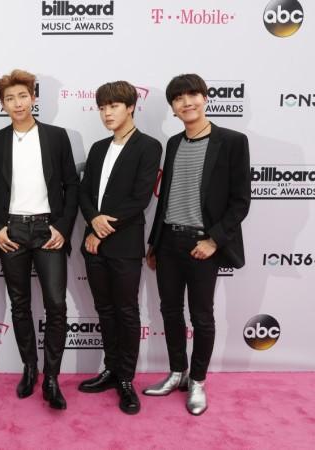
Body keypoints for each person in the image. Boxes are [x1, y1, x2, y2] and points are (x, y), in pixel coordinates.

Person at [143, 74, 251, 416]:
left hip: (204, 245)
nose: (186, 102)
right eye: (178, 98)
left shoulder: (232, 141)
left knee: (202, 316)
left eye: (192, 95)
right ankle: (178, 372)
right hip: (169, 242)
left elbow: (240, 201)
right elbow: (165, 200)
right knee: (170, 311)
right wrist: (154, 242)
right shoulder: (173, 143)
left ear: (205, 98)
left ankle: (199, 381)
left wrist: (214, 241)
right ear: (173, 108)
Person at [0, 69, 79, 410]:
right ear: (2, 104)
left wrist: (63, 228)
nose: (17, 103)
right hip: (11, 231)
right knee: (20, 304)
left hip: (47, 231)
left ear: (34, 98)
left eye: (22, 96)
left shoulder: (56, 137)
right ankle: (30, 368)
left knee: (56, 304)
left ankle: (52, 377)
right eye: (9, 98)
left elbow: (71, 185)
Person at [77, 81, 162, 415]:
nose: (107, 112)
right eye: (102, 107)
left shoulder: (148, 146)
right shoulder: (98, 148)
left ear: (131, 107)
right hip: (94, 246)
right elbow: (85, 193)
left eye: (113, 105)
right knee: (105, 310)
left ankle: (126, 379)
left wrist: (101, 229)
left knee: (126, 311)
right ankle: (110, 369)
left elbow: (139, 199)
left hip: (123, 245)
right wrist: (92, 220)